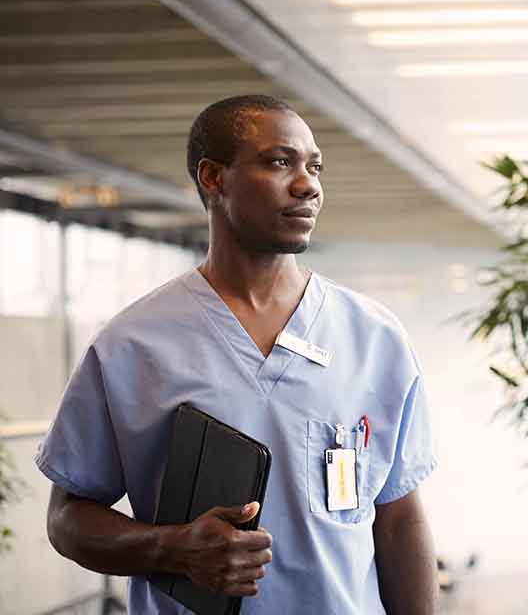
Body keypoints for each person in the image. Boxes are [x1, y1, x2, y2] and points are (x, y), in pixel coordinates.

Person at [36, 95, 438, 614]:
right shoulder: (133, 344)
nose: (308, 184)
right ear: (213, 177)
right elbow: (67, 517)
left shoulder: (375, 339)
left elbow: (400, 517)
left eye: (314, 167)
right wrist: (170, 549)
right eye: (279, 162)